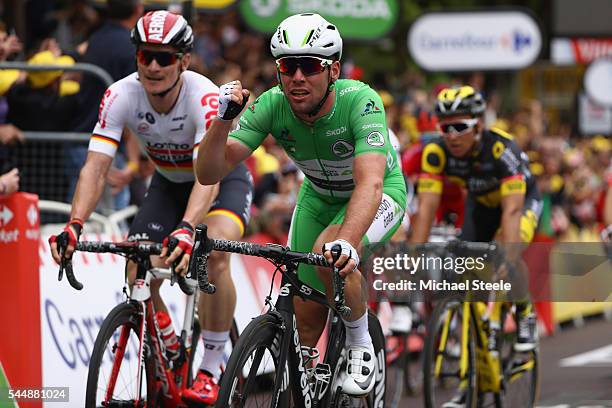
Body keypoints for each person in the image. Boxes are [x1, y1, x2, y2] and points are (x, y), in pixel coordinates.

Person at [195, 13, 407, 396]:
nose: (297, 77)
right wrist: (222, 122)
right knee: (305, 324)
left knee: (330, 253)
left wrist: (347, 241)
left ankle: (360, 343)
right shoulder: (273, 104)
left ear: (333, 70)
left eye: (309, 67)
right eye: (287, 66)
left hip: (376, 194)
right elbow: (210, 172)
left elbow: (371, 182)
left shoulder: (361, 101)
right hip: (318, 197)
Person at [48, 11, 253, 406]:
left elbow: (205, 180)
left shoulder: (204, 96)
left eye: (164, 57)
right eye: (146, 57)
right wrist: (75, 224)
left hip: (217, 182)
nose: (154, 66)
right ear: (137, 58)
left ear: (184, 61)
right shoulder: (121, 94)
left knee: (215, 256)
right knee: (136, 262)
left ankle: (211, 366)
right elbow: (95, 167)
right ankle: (167, 337)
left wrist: (188, 228)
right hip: (167, 184)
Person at [409, 86, 541, 407]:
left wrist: (505, 256)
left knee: (508, 254)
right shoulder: (436, 154)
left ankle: (524, 315)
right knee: (470, 284)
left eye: (460, 127)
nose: (452, 136)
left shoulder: (501, 150)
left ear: (479, 125)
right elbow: (426, 207)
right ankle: (472, 382)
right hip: (481, 207)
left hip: (518, 204)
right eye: (445, 127)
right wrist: (412, 254)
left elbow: (510, 211)